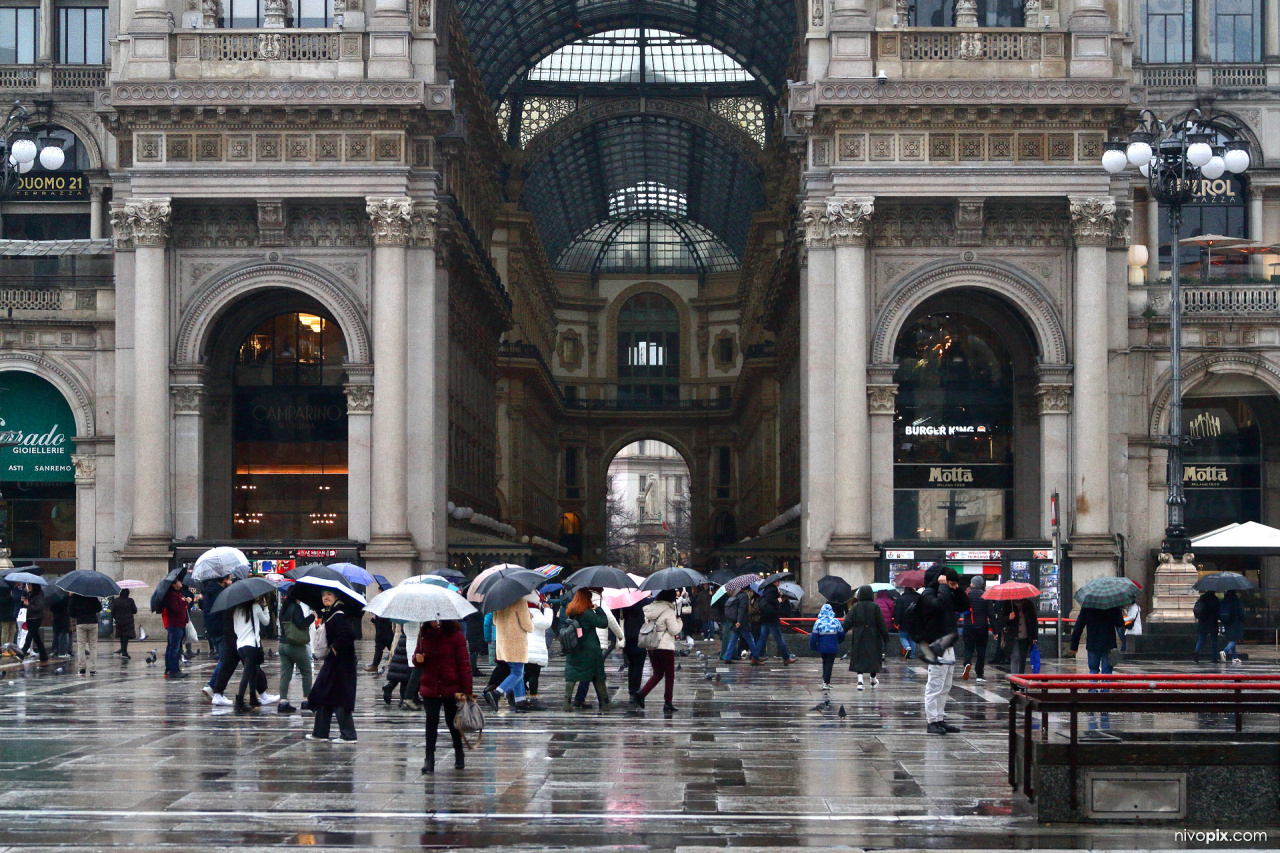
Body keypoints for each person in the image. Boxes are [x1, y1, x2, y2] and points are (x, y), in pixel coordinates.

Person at [413, 618, 472, 774]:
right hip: (430, 686)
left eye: (437, 619)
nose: (434, 622)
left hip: (451, 687)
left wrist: (467, 691)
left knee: (452, 722)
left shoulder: (456, 635)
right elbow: (417, 659)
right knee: (431, 722)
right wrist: (418, 659)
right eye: (431, 619)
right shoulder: (424, 635)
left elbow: (464, 664)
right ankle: (429, 758)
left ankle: (459, 753)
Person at [916, 567, 970, 735]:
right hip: (934, 645)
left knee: (945, 685)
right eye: (952, 584)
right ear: (942, 581)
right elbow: (937, 607)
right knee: (934, 684)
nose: (954, 587)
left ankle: (939, 718)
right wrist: (944, 588)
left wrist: (956, 588)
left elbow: (965, 605)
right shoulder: (928, 594)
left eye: (956, 584)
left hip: (948, 644)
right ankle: (931, 721)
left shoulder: (950, 592)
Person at [308, 590, 358, 742]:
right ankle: (320, 732)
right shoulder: (331, 613)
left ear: (337, 596)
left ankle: (349, 735)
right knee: (325, 695)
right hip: (334, 662)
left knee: (339, 697)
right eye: (323, 595)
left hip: (341, 663)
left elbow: (348, 635)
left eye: (329, 594)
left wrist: (335, 648)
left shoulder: (340, 613)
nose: (325, 598)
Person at [483, 596, 535, 712]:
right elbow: (527, 626)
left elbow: (495, 621)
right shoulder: (520, 601)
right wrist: (530, 618)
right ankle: (497, 693)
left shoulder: (498, 601)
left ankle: (520, 700)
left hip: (503, 641)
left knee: (518, 671)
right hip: (516, 642)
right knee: (517, 672)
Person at [561, 588, 610, 710]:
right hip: (589, 650)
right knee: (597, 675)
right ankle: (605, 703)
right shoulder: (586, 612)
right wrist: (598, 609)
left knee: (572, 675)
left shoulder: (571, 611)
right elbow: (603, 623)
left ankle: (567, 703)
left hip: (574, 648)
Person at [637, 589, 683, 712]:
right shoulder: (668, 610)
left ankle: (642, 693)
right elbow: (674, 630)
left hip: (652, 645)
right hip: (665, 646)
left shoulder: (650, 608)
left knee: (657, 673)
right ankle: (668, 702)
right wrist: (679, 621)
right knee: (669, 675)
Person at [233, 596, 277, 712]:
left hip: (240, 646)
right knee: (247, 674)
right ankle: (239, 702)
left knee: (252, 672)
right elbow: (266, 622)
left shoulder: (237, 610)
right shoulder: (256, 607)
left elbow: (235, 629)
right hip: (251, 645)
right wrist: (266, 606)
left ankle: (253, 698)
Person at [843, 585, 889, 690]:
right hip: (873, 635)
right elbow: (881, 623)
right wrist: (885, 637)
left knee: (859, 656)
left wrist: (841, 633)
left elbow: (847, 622)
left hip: (859, 634)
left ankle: (860, 681)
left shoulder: (855, 607)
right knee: (873, 656)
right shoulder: (875, 607)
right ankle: (873, 679)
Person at [277, 586, 313, 713]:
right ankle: (307, 700)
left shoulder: (284, 607)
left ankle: (283, 702)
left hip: (282, 645)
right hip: (295, 645)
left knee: (285, 674)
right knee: (307, 671)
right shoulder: (295, 607)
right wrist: (312, 617)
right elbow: (301, 623)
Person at [200, 574, 234, 700]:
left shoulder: (210, 591)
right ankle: (213, 687)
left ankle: (216, 689)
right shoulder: (220, 593)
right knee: (225, 660)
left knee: (224, 659)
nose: (231, 582)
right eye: (230, 579)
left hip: (212, 629)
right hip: (221, 629)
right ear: (224, 580)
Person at [1069, 605, 1126, 675]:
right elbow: (1120, 623)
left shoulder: (1088, 606)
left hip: (1093, 642)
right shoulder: (1113, 606)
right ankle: (1106, 685)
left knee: (1093, 670)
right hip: (1108, 643)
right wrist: (1119, 611)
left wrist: (1074, 645)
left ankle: (1093, 684)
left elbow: (1079, 626)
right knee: (1107, 672)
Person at [756, 580, 797, 663]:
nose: (779, 583)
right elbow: (773, 602)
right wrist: (779, 600)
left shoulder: (765, 591)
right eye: (778, 581)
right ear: (774, 582)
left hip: (765, 617)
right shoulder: (773, 590)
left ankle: (755, 657)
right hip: (772, 618)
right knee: (779, 638)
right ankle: (786, 658)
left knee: (762, 638)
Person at [618, 598, 649, 705]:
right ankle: (636, 691)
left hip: (628, 636)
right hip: (639, 637)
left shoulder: (623, 602)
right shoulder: (641, 601)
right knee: (638, 667)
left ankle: (632, 691)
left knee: (631, 666)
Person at [809, 603, 845, 692]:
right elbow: (842, 634)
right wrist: (838, 641)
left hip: (822, 647)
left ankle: (825, 680)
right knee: (829, 663)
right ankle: (826, 682)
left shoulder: (818, 622)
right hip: (833, 646)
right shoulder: (835, 621)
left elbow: (813, 636)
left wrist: (813, 646)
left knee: (825, 662)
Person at [961, 576, 991, 682]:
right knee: (981, 651)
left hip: (968, 626)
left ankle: (967, 662)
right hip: (982, 627)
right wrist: (996, 630)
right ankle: (979, 674)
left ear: (973, 584)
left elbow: (961, 609)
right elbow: (990, 613)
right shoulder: (986, 596)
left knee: (968, 648)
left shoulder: (967, 595)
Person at [160, 579, 192, 679]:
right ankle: (172, 670)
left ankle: (173, 669)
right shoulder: (171, 595)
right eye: (178, 581)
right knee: (174, 648)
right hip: (175, 625)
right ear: (173, 585)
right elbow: (176, 609)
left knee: (174, 648)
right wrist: (186, 602)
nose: (181, 582)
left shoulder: (177, 594)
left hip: (178, 624)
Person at [722, 587, 762, 664]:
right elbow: (741, 609)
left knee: (733, 640)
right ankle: (756, 657)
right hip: (743, 622)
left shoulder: (738, 594)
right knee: (750, 639)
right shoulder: (744, 596)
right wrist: (739, 621)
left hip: (737, 621)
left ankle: (727, 657)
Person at [525, 594, 553, 708]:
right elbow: (546, 624)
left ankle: (518, 696)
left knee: (525, 674)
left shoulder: (522, 610)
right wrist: (547, 609)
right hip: (534, 648)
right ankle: (533, 698)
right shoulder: (534, 612)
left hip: (526, 646)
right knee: (534, 674)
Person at [1004, 597, 1040, 676]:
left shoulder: (1028, 604)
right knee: (1015, 656)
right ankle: (1014, 678)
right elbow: (1002, 620)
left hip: (1026, 636)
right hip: (1013, 636)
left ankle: (1021, 677)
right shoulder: (1008, 604)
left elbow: (1033, 621)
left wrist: (1034, 637)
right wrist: (1009, 618)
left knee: (1022, 658)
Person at [69, 592, 103, 676]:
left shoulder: (75, 596)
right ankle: (92, 669)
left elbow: (71, 611)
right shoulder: (92, 595)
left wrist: (78, 613)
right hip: (92, 622)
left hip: (81, 622)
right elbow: (99, 608)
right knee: (93, 646)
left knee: (81, 646)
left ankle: (82, 668)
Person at [382, 626, 413, 706]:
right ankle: (403, 698)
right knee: (406, 674)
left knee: (401, 671)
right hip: (410, 641)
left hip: (404, 640)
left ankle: (390, 687)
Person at [19, 583, 49, 663]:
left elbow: (38, 608)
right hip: (30, 618)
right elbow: (27, 607)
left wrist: (28, 604)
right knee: (37, 638)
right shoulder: (30, 595)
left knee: (29, 636)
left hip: (36, 619)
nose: (28, 587)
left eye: (30, 586)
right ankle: (44, 656)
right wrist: (24, 602)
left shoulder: (39, 596)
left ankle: (22, 653)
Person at [892, 585, 920, 659]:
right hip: (915, 621)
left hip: (904, 621)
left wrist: (896, 621)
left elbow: (898, 611)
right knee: (912, 638)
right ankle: (912, 655)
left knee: (903, 636)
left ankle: (907, 647)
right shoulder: (918, 598)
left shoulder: (901, 598)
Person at [1193, 590, 1220, 663]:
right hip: (1212, 622)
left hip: (1202, 622)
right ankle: (1214, 657)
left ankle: (1197, 651)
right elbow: (1217, 611)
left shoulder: (1202, 598)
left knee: (1202, 638)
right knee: (1214, 640)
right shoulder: (1215, 599)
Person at [1219, 590, 1245, 664]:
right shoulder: (1237, 601)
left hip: (1226, 622)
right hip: (1236, 622)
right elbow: (1242, 613)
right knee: (1234, 639)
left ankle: (1234, 657)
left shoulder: (1224, 601)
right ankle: (1225, 651)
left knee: (1231, 638)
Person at [111, 590, 137, 660]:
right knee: (126, 636)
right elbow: (135, 610)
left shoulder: (116, 601)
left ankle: (123, 649)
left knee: (121, 636)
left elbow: (112, 611)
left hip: (119, 621)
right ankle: (124, 651)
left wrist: (116, 617)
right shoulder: (130, 601)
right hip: (128, 621)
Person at [463, 610, 486, 677]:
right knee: (474, 650)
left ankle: (473, 668)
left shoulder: (468, 609)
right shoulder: (479, 610)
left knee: (473, 650)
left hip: (470, 631)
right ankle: (473, 669)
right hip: (477, 632)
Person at [49, 593, 71, 659]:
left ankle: (55, 650)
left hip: (56, 619)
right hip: (64, 619)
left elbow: (52, 608)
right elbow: (69, 605)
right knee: (63, 636)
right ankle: (62, 652)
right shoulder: (66, 599)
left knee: (56, 635)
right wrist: (69, 597)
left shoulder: (54, 598)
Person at [0, 580, 14, 655]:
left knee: (12, 631)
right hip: (4, 614)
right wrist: (10, 596)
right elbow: (2, 601)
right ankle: (4, 648)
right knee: (5, 631)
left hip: (12, 613)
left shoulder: (12, 590)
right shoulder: (2, 591)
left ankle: (10, 647)